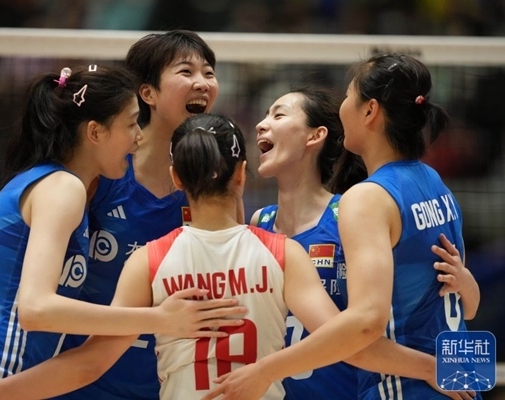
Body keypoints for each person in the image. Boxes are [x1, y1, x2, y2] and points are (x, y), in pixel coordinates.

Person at [0, 114, 472, 400]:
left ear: (176, 179)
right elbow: (355, 344)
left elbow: (87, 364)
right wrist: (439, 368)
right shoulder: (283, 253)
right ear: (242, 175)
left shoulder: (148, 261)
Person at [0, 30, 222, 400]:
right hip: (42, 380)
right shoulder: (78, 183)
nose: (202, 83)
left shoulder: (211, 180)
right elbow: (11, 296)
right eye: (186, 71)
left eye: (209, 72)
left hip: (132, 378)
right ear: (147, 93)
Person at [203, 53, 481, 400]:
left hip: (402, 388)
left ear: (370, 111)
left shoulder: (364, 200)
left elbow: (365, 324)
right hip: (448, 383)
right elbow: (465, 307)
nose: (342, 108)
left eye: (348, 96)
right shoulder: (432, 181)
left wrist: (265, 371)